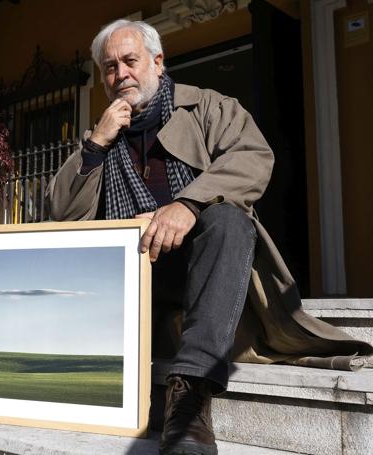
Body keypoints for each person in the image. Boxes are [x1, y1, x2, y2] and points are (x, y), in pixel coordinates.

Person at [47, 19, 372, 455]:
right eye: (109, 67)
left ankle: (191, 395)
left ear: (157, 63)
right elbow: (62, 214)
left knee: (228, 219)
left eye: (130, 61)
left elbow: (254, 156)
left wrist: (188, 205)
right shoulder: (102, 135)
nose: (119, 74)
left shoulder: (208, 108)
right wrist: (95, 146)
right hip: (137, 278)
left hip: (207, 267)